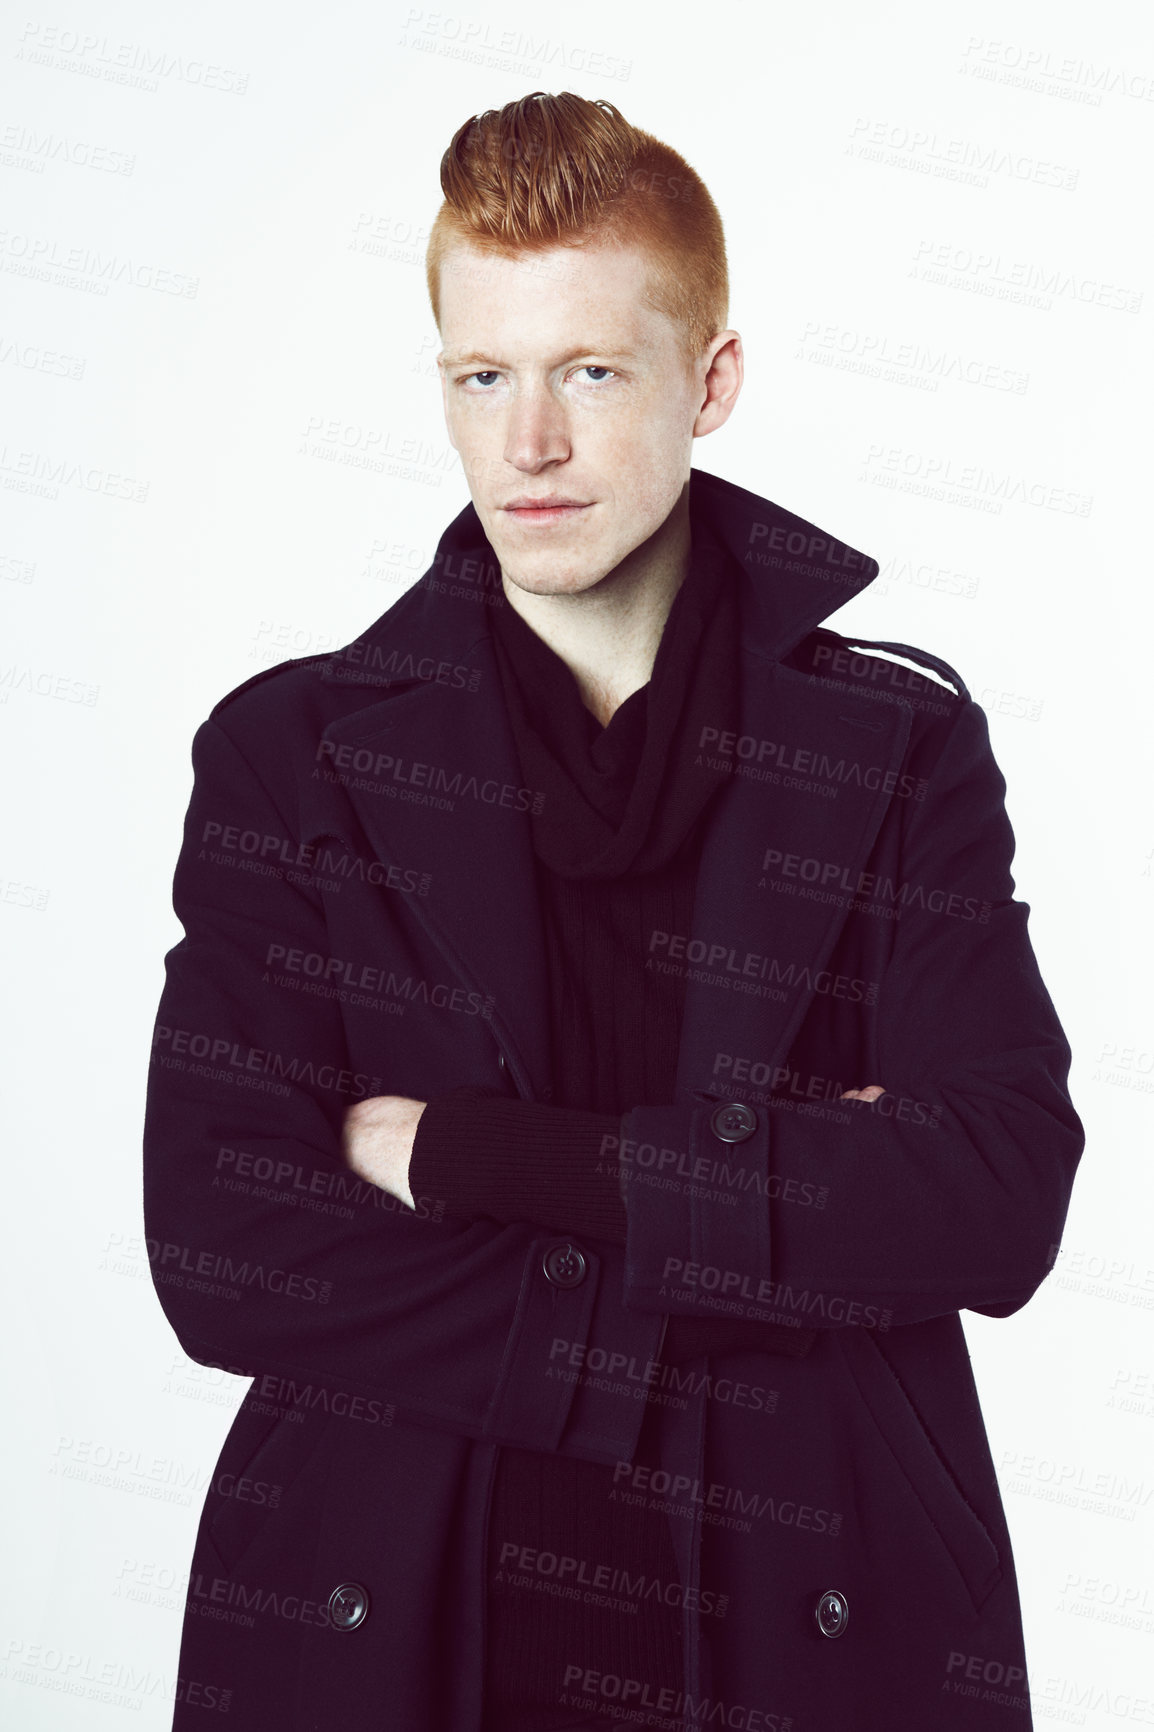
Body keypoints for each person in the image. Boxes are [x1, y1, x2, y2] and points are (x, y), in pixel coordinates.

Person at [143, 91, 1084, 1730]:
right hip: (390, 1615)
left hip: (817, 1619)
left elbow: (993, 1200)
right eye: (481, 378)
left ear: (708, 381)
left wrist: (472, 1161)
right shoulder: (290, 755)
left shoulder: (900, 746)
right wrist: (772, 1229)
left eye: (589, 372)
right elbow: (228, 1252)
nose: (531, 446)